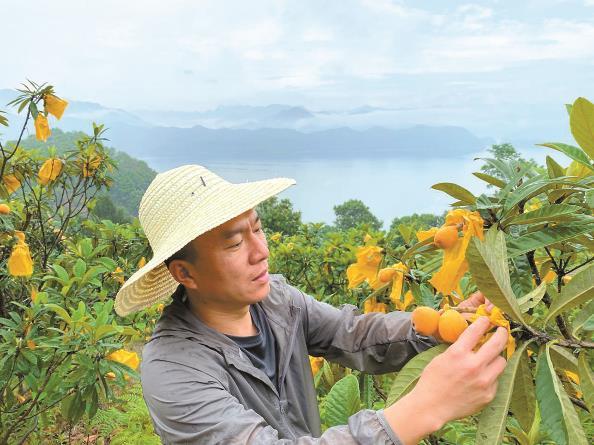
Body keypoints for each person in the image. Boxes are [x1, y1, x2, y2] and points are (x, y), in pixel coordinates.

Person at [114, 164, 509, 445]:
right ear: (186, 274)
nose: (261, 252)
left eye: (258, 228)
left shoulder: (277, 301)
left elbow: (352, 334)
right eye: (235, 243)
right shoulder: (173, 371)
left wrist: (438, 326)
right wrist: (425, 406)